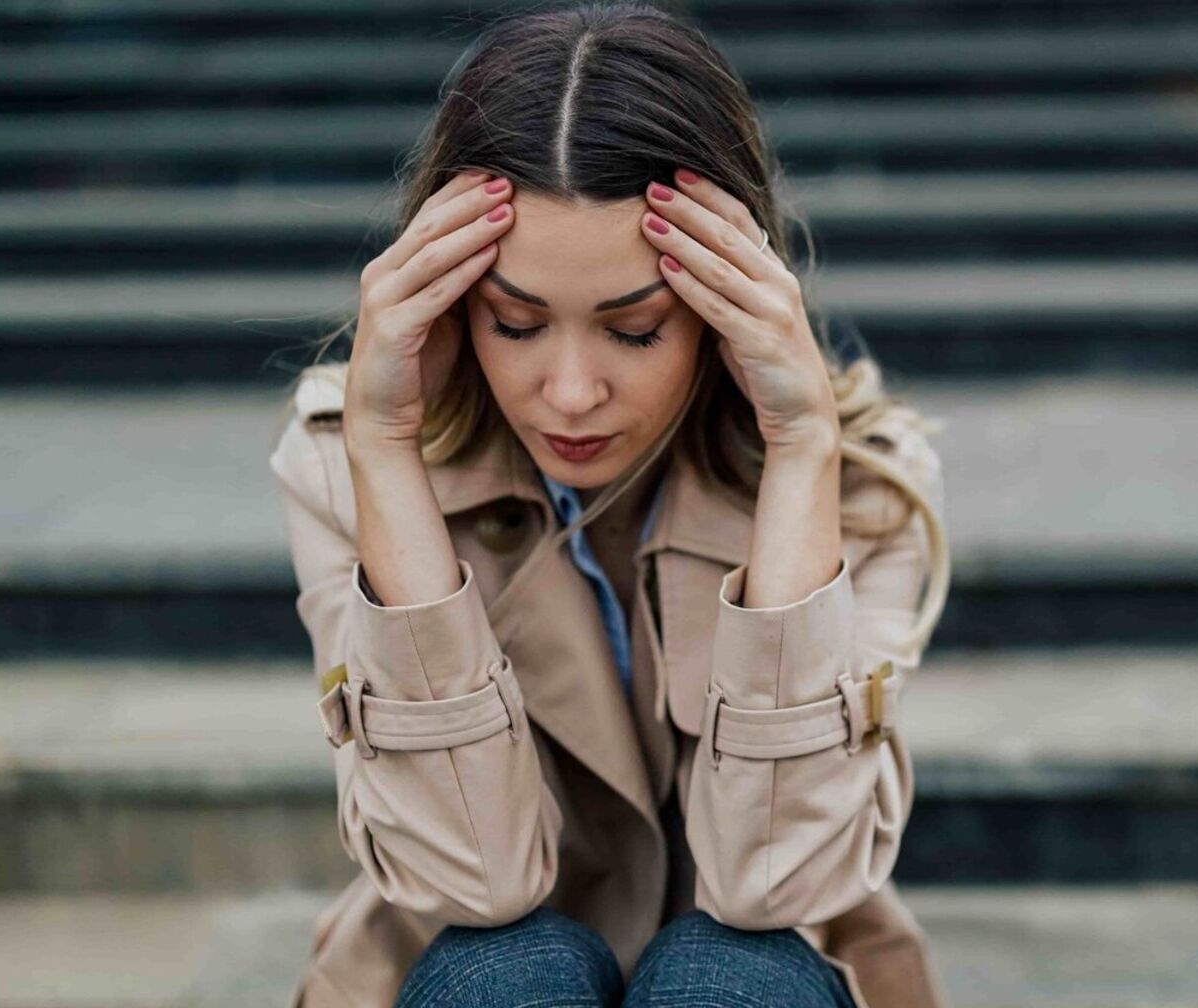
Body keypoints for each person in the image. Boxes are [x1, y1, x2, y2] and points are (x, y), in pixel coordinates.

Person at [265, 2, 951, 1006]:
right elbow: (474, 881)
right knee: (506, 972)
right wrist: (386, 448)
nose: (573, 391)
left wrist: (801, 450)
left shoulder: (863, 486)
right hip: (476, 976)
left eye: (634, 331)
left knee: (729, 977)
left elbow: (774, 883)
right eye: (516, 323)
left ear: (724, 310)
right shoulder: (344, 466)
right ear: (451, 303)